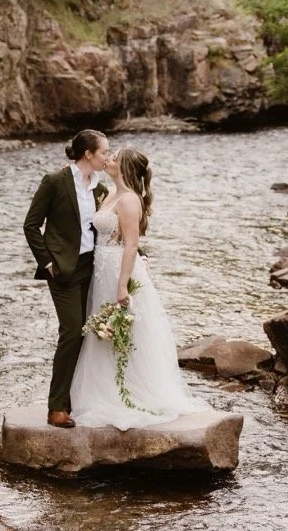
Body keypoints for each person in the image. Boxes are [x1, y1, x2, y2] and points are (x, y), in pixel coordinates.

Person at [70, 146, 207, 429]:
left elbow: (131, 244)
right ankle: (102, 391)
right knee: (103, 330)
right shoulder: (110, 194)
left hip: (119, 270)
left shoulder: (130, 200)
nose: (108, 159)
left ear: (125, 167)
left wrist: (122, 286)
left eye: (114, 157)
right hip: (101, 267)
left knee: (125, 331)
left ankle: (129, 393)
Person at [23, 129, 110, 428]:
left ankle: (79, 401)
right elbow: (31, 225)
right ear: (88, 154)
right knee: (72, 331)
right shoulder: (55, 181)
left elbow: (112, 227)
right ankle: (56, 407)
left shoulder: (101, 189)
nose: (107, 158)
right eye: (104, 153)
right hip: (62, 271)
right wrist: (47, 263)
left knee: (91, 334)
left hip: (94, 268)